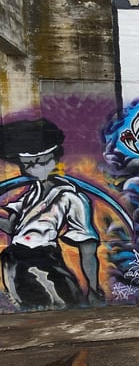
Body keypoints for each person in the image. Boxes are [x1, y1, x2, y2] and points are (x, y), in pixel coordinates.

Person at [0, 118, 104, 309]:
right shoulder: (32, 193)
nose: (33, 168)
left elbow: (87, 248)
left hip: (42, 263)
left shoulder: (71, 198)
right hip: (13, 262)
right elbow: (13, 228)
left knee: (63, 305)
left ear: (55, 158)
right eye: (27, 164)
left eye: (40, 161)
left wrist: (93, 288)